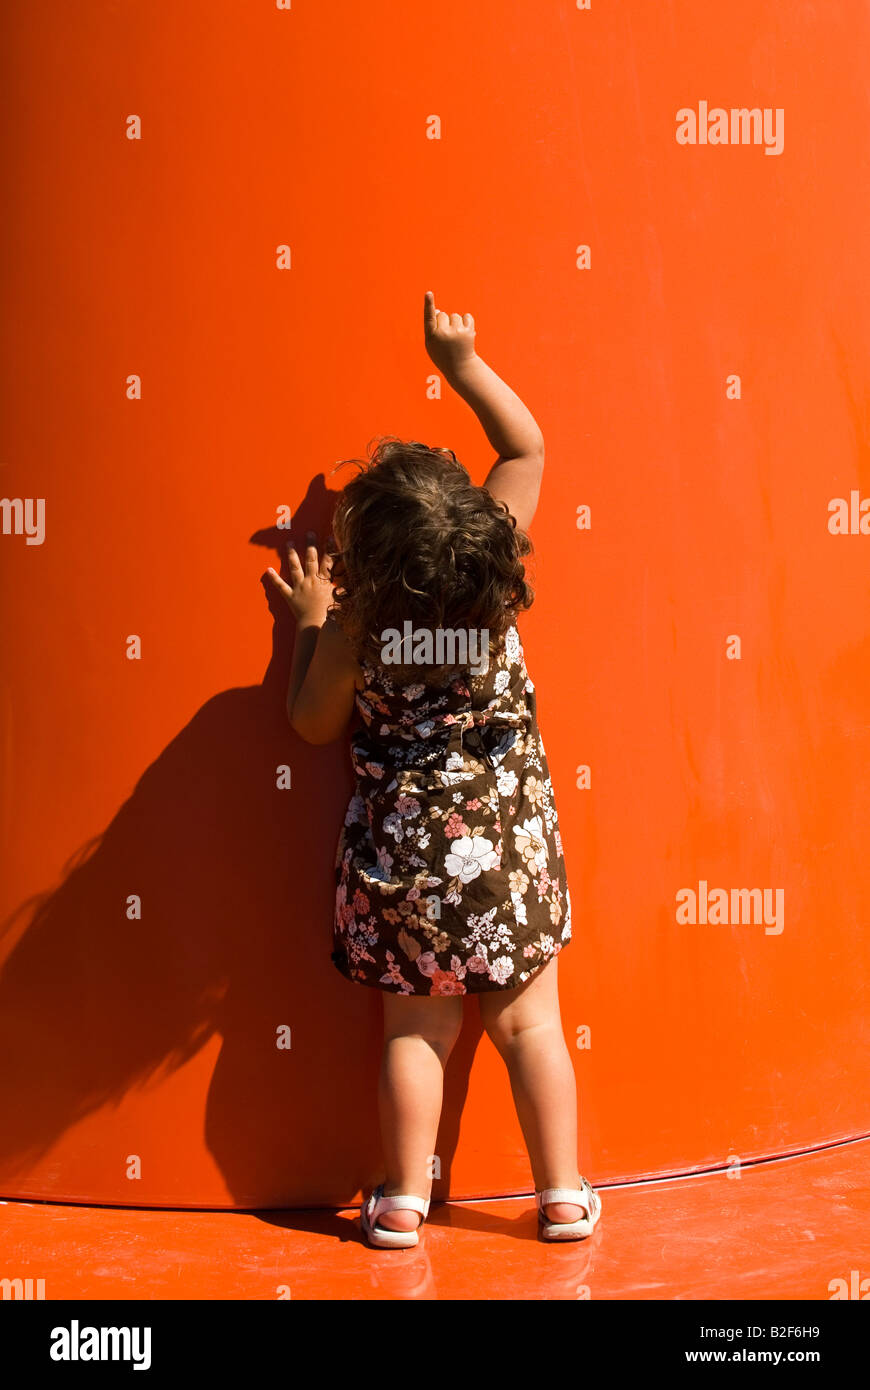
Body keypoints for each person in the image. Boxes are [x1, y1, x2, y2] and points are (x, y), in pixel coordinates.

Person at [264, 291, 601, 1247]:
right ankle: (563, 1196)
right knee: (530, 1030)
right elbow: (527, 448)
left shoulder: (363, 622)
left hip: (403, 860)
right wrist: (459, 363)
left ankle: (404, 1201)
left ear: (364, 556)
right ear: (479, 535)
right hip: (506, 848)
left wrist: (312, 625)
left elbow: (309, 725)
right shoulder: (492, 586)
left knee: (416, 1033)